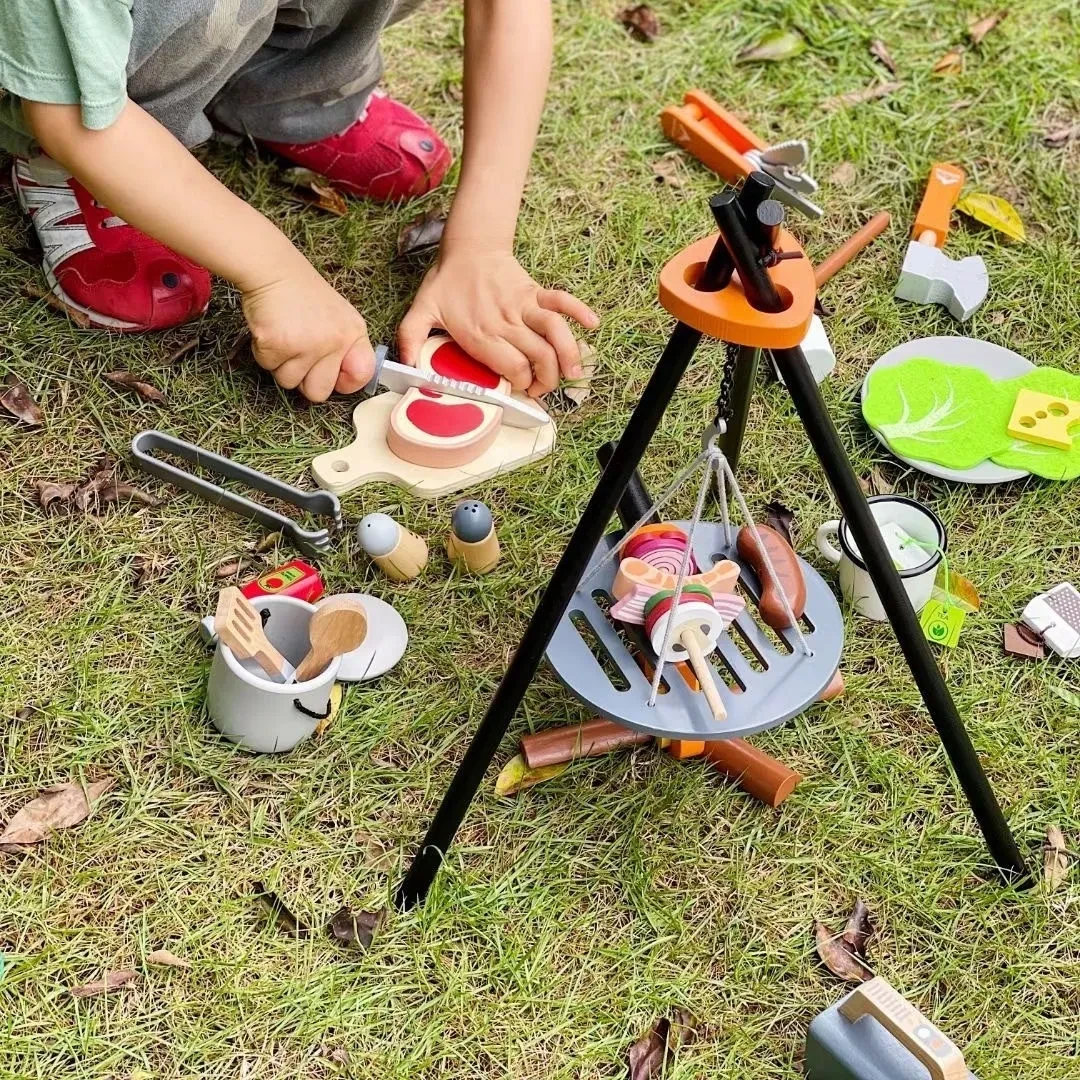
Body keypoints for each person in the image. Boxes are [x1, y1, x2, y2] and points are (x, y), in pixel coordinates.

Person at [0, 0, 599, 401]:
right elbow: (70, 117)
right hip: (69, 93)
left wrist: (481, 245)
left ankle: (289, 90)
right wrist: (275, 273)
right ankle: (75, 167)